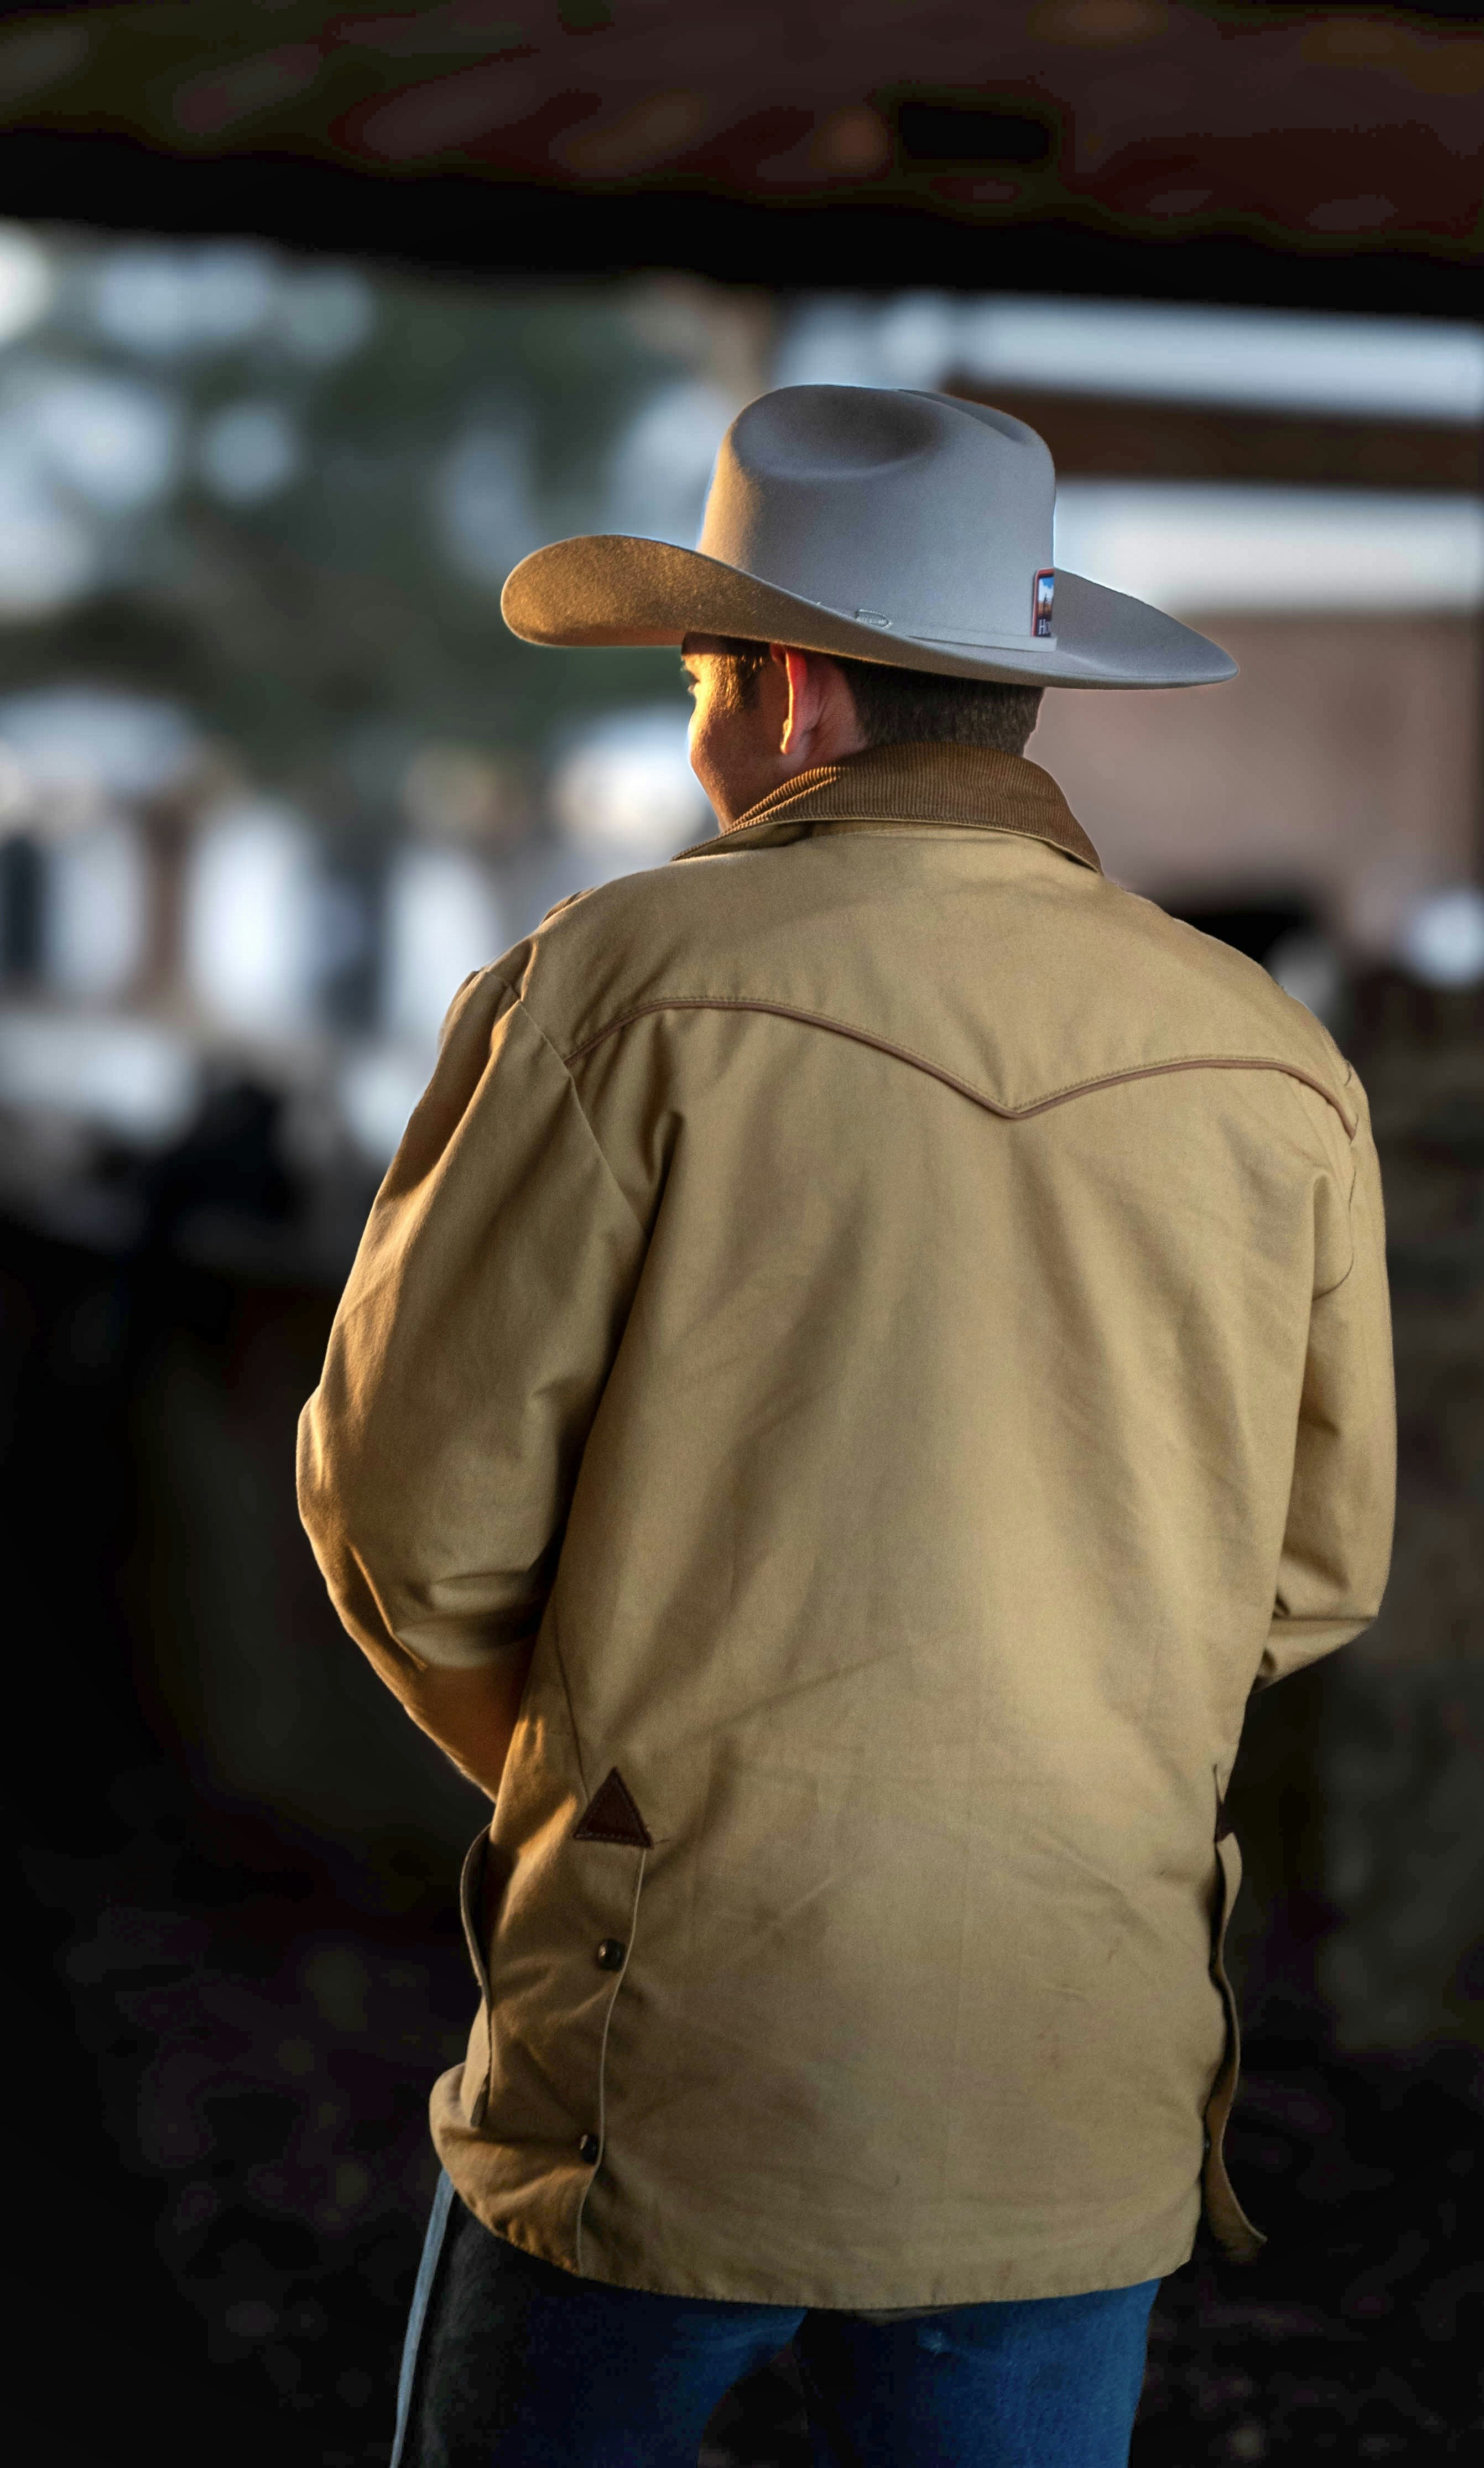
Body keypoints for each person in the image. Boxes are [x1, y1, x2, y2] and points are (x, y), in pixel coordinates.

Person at [298, 386, 1395, 2467]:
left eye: (705, 676)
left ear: (791, 696)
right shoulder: (1269, 1059)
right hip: (1067, 2052)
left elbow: (406, 1515)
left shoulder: (615, 986)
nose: (698, 727)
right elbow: (1315, 1576)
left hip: (677, 2032)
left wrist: (603, 1775)